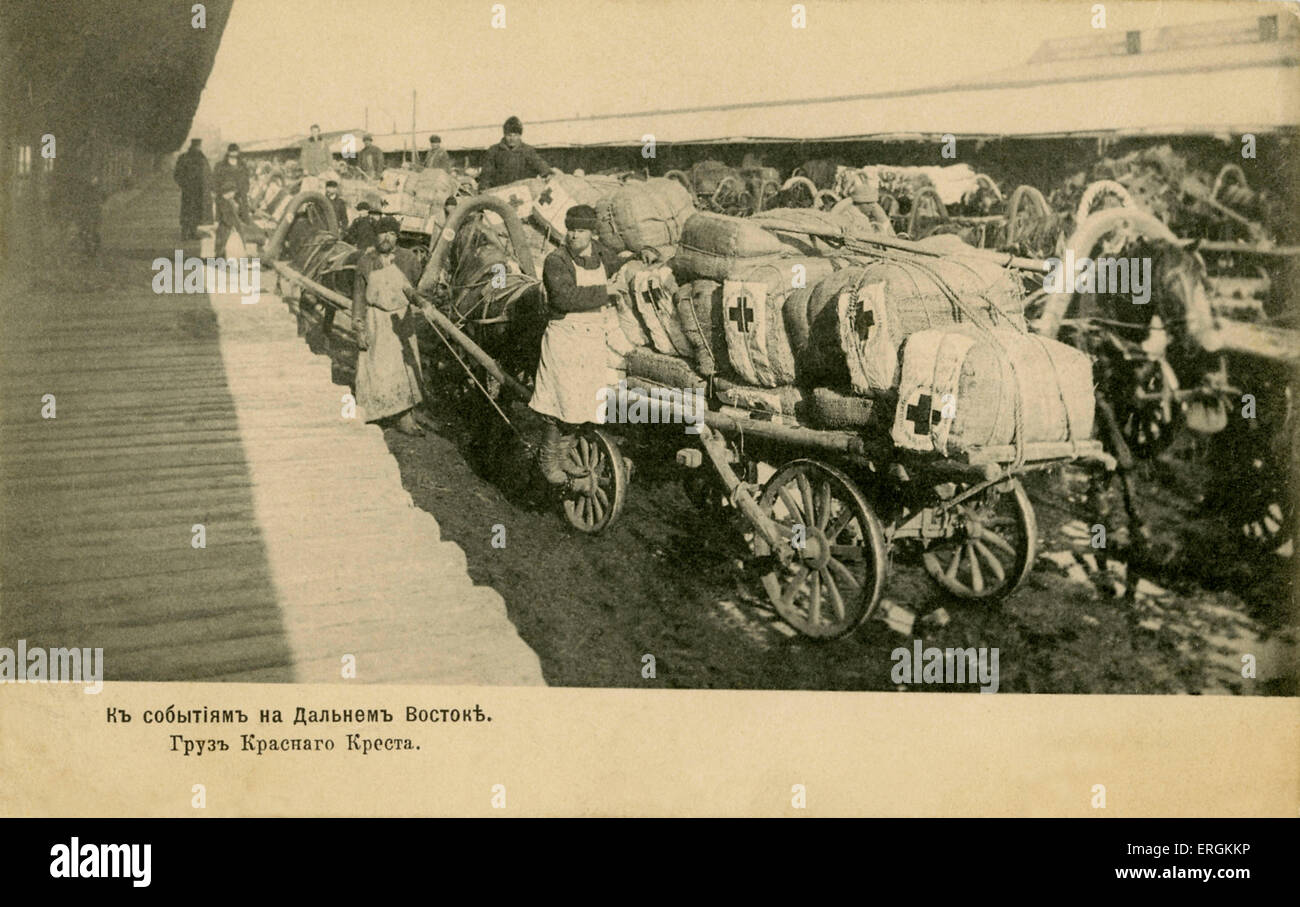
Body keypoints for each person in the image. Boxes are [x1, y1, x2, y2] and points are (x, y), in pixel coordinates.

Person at [528, 204, 621, 486]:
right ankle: (547, 460)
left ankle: (565, 455)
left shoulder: (602, 255)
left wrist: (642, 256)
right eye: (570, 230)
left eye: (580, 230)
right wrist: (606, 292)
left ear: (592, 234)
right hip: (564, 338)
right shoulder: (556, 260)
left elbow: (621, 261)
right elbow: (563, 299)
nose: (573, 236)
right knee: (559, 402)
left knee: (582, 403)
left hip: (591, 340)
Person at [351, 215, 425, 435]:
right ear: (376, 235)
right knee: (375, 368)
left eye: (392, 234)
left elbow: (417, 287)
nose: (387, 238)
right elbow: (358, 296)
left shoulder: (408, 259)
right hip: (376, 321)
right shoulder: (366, 261)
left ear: (398, 237)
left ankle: (404, 417)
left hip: (401, 321)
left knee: (405, 370)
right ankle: (376, 412)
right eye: (383, 233)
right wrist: (358, 326)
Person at [478, 116, 552, 189]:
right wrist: (484, 188)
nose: (512, 139)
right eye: (509, 135)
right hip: (500, 191)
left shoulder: (527, 150)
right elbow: (486, 174)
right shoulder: (494, 151)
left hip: (522, 192)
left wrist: (547, 173)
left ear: (520, 135)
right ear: (504, 135)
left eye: (515, 135)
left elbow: (539, 164)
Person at [211, 143, 250, 257]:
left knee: (239, 227)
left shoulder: (242, 166)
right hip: (224, 198)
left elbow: (246, 182)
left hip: (239, 199)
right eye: (231, 154)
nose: (233, 155)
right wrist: (222, 194)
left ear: (238, 153)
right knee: (223, 229)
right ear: (228, 153)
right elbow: (215, 182)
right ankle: (219, 254)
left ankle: (240, 253)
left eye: (235, 153)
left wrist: (241, 193)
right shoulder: (220, 166)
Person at [173, 138, 211, 240]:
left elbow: (176, 174)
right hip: (196, 189)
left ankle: (187, 233)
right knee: (194, 210)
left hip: (190, 189)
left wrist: (183, 185)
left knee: (188, 210)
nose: (199, 148)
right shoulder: (201, 158)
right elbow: (207, 173)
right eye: (199, 146)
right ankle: (190, 233)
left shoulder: (184, 157)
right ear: (197, 146)